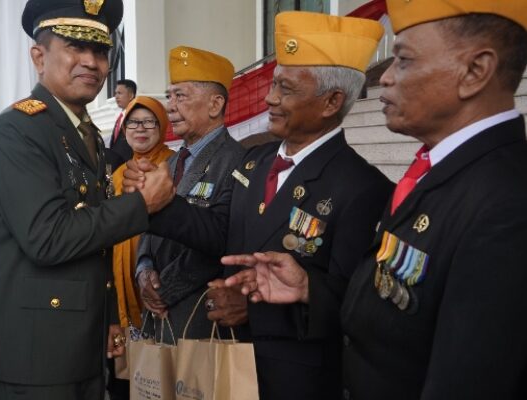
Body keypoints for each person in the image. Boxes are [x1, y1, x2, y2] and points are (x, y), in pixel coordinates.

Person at [225, 3, 527, 399]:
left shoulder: (505, 203)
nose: (384, 77)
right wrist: (310, 289)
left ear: (475, 71)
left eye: (404, 60)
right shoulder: (441, 174)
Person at [125, 12, 391, 399]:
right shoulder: (255, 161)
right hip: (226, 364)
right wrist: (160, 203)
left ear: (331, 101)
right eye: (273, 84)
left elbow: (357, 304)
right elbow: (219, 234)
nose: (269, 98)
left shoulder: (363, 187)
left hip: (293, 380)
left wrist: (256, 310)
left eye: (285, 88)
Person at [0, 0, 169, 398]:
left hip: (82, 335)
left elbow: (94, 240)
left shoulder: (86, 132)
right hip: (35, 348)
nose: (91, 62)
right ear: (38, 57)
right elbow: (48, 237)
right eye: (75, 46)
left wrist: (107, 317)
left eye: (100, 50)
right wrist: (140, 204)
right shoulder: (18, 129)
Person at [134, 46, 245, 343]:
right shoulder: (170, 162)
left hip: (196, 321)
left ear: (215, 104)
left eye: (180, 96)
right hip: (157, 317)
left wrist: (163, 290)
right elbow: (149, 225)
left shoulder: (236, 161)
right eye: (169, 96)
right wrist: (143, 269)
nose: (170, 106)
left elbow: (222, 241)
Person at [108, 96, 174, 399]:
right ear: (124, 130)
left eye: (150, 122)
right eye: (134, 123)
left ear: (162, 127)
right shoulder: (118, 174)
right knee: (126, 377)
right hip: (119, 279)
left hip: (156, 276)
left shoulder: (173, 165)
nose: (141, 129)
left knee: (162, 374)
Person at [107, 79, 136, 169]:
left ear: (131, 95)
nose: (116, 97)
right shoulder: (121, 116)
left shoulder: (137, 116)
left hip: (129, 167)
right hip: (117, 168)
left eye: (119, 93)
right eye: (115, 93)